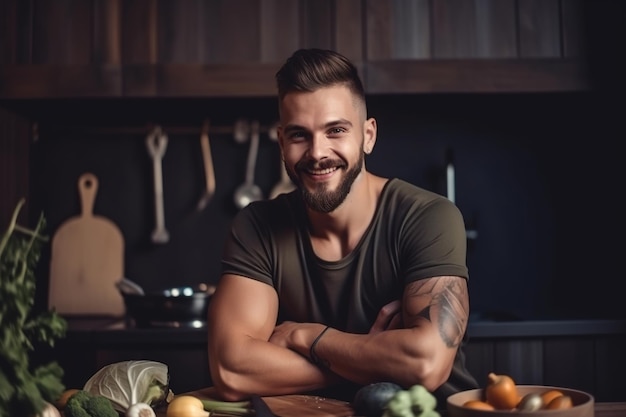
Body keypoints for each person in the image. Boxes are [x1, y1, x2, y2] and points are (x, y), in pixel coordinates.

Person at [207, 48, 479, 407]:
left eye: (335, 130)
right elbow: (232, 369)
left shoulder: (429, 216)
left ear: (368, 135)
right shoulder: (257, 227)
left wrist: (310, 337)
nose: (318, 152)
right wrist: (372, 357)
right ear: (282, 142)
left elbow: (426, 363)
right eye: (299, 135)